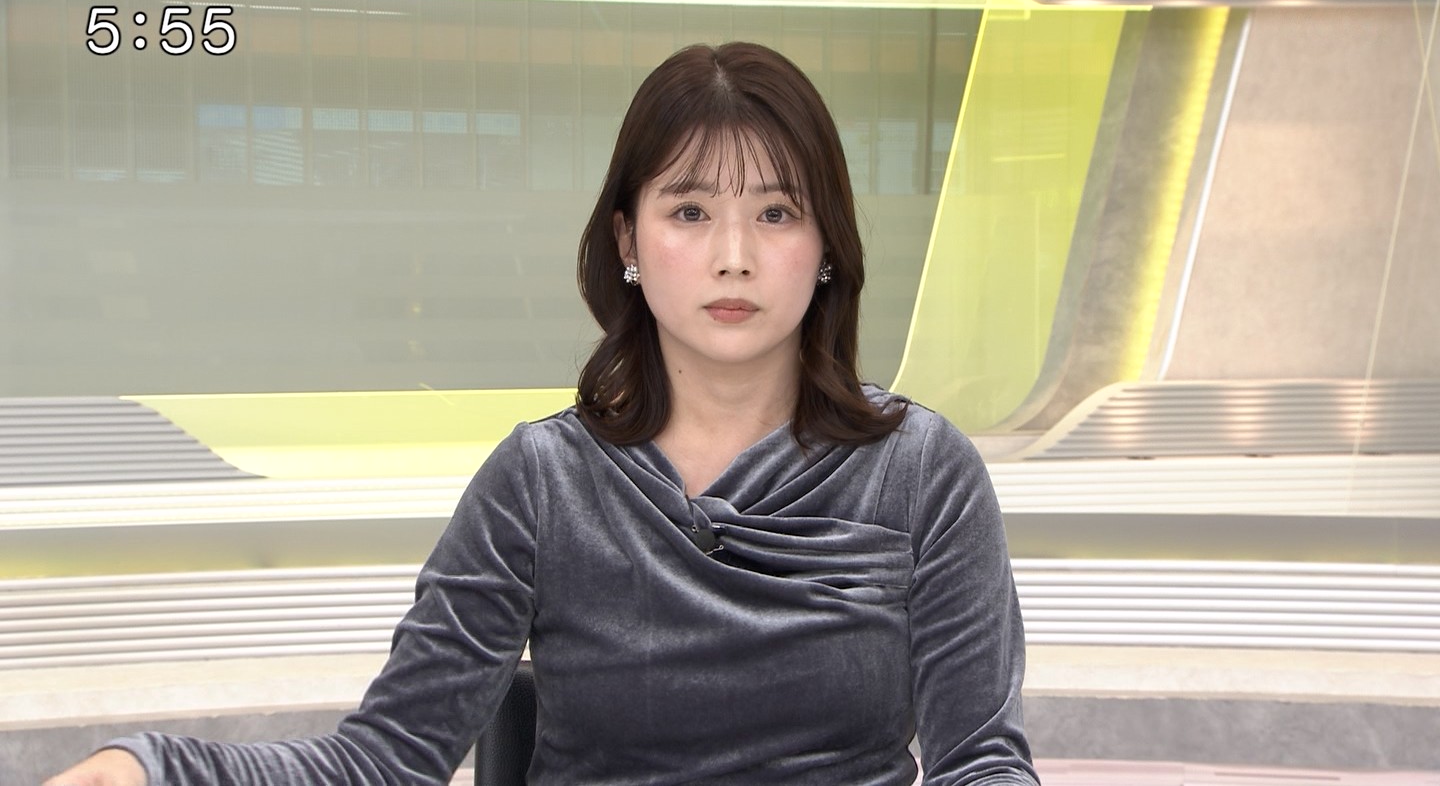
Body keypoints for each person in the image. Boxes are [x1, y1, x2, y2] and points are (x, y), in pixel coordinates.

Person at [46, 41, 1037, 786]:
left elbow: (980, 762)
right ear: (629, 241)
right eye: (690, 212)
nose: (734, 256)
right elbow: (384, 761)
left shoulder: (922, 470)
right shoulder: (541, 481)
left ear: (825, 247)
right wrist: (151, 767)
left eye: (776, 213)